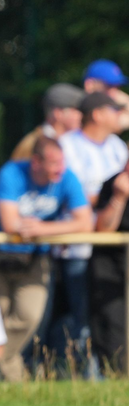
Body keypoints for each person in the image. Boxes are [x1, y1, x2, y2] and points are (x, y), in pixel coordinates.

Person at [0, 137, 92, 381]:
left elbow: (85, 221)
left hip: (34, 255)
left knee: (29, 315)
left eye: (62, 162)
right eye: (53, 163)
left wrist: (43, 229)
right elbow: (10, 224)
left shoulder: (66, 177)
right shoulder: (12, 172)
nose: (60, 168)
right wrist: (54, 228)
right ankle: (11, 375)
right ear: (36, 162)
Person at [52, 92, 128, 370]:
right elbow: (71, 195)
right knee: (79, 319)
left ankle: (99, 375)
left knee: (105, 317)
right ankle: (73, 374)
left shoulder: (118, 147)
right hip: (75, 247)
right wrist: (106, 195)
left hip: (109, 250)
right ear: (96, 114)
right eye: (114, 109)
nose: (120, 114)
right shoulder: (67, 146)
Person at [91, 159, 129, 372]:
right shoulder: (113, 185)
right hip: (111, 269)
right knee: (114, 330)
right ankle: (117, 378)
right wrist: (119, 197)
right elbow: (103, 230)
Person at [11, 84, 85, 160]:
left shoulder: (76, 143)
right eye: (76, 110)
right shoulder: (31, 145)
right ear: (58, 113)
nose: (82, 115)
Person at [82, 59, 129, 132]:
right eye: (109, 86)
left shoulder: (112, 110)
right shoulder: (76, 113)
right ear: (89, 85)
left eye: (117, 87)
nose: (115, 92)